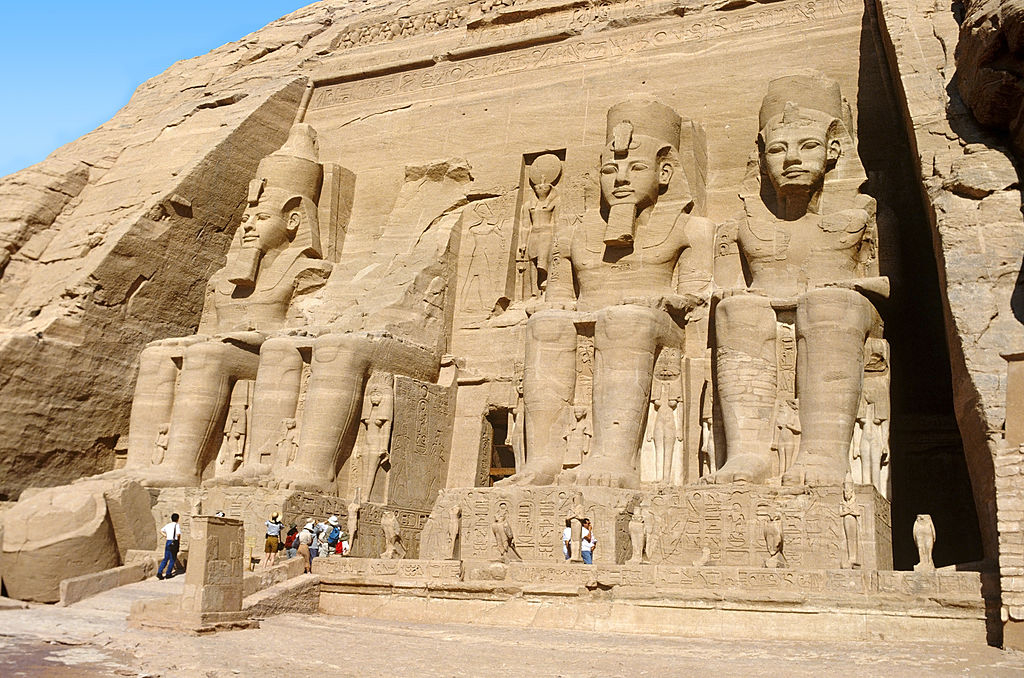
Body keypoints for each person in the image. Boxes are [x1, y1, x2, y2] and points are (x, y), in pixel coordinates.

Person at [157, 513, 181, 580]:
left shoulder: (168, 525)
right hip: (174, 542)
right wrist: (178, 542)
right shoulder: (177, 525)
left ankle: (159, 572)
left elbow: (161, 531)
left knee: (165, 558)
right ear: (177, 519)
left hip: (168, 542)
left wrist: (165, 535)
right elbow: (178, 534)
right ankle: (168, 573)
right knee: (172, 559)